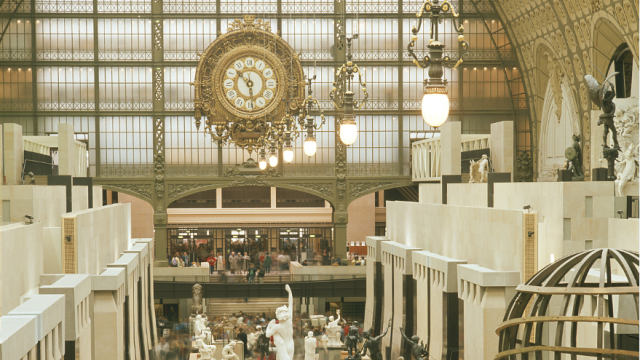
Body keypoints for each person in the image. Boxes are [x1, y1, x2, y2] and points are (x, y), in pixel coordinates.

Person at [265, 284, 294, 360]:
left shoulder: (277, 327)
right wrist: (289, 292)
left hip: (283, 346)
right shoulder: (289, 319)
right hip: (291, 345)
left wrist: (269, 325)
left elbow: (267, 334)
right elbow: (290, 303)